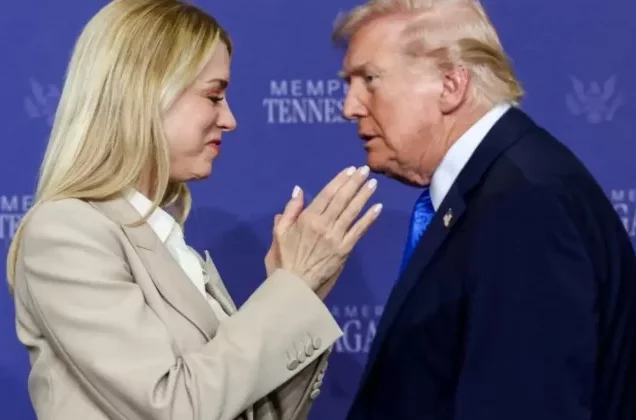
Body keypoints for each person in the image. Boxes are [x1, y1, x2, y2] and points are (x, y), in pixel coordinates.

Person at [5, 1, 383, 419]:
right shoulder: (68, 232)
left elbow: (248, 411)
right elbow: (173, 407)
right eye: (214, 95)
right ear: (146, 93)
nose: (230, 119)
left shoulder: (166, 241)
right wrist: (289, 291)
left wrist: (299, 295)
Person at [332, 0, 636, 419]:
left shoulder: (524, 206)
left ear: (451, 85)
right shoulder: (493, 191)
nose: (349, 106)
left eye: (370, 79)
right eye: (349, 83)